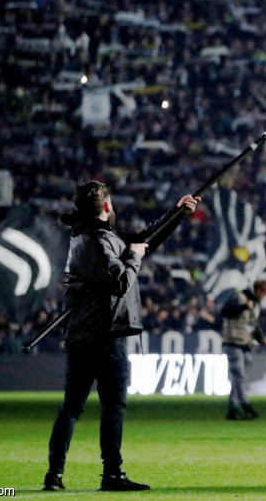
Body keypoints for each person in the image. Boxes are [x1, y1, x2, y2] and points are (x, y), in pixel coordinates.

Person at [43, 182, 199, 492]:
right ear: (106, 207)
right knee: (113, 406)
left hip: (82, 335)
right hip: (104, 334)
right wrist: (135, 258)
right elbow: (122, 281)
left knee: (71, 407)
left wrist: (177, 212)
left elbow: (145, 239)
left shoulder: (89, 237)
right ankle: (112, 475)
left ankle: (54, 475)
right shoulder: (97, 242)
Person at [221, 281, 266, 420]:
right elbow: (225, 312)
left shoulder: (255, 304)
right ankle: (246, 406)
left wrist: (260, 338)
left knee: (239, 378)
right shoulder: (240, 297)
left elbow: (252, 324)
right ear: (259, 290)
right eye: (265, 293)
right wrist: (243, 306)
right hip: (232, 340)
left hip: (245, 343)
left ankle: (233, 408)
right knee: (239, 376)